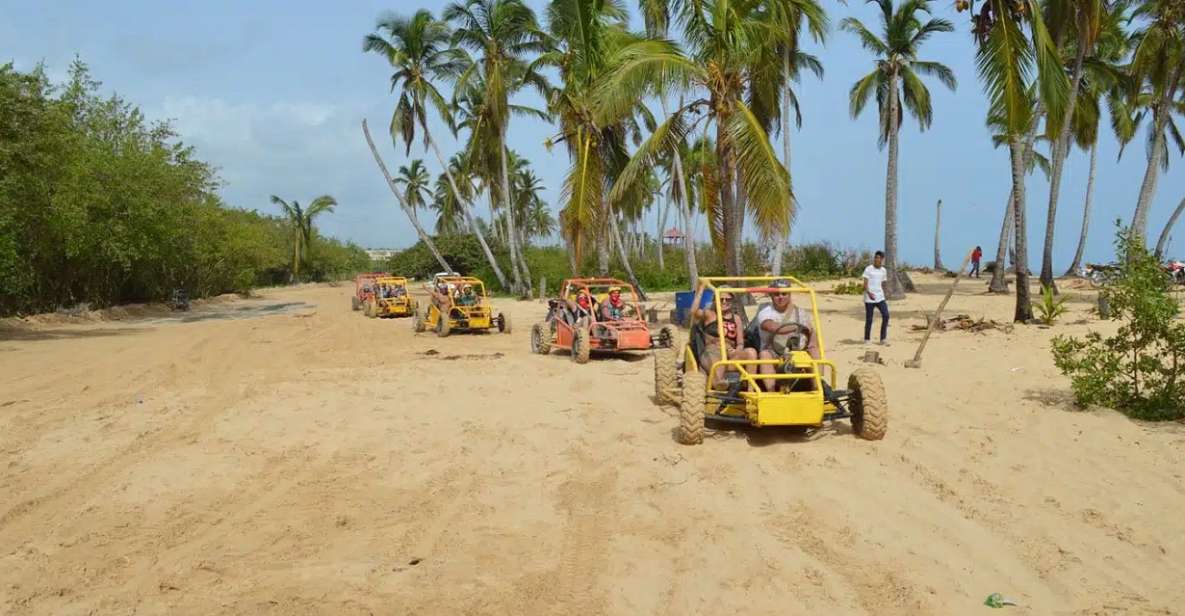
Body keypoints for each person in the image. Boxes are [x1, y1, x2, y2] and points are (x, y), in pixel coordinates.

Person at [756, 279, 819, 391]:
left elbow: (810, 330)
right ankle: (771, 393)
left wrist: (812, 344)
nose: (781, 297)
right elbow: (772, 327)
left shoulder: (800, 312)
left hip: (796, 351)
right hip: (773, 352)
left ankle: (817, 389)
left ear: (789, 294)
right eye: (777, 294)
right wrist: (797, 327)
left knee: (814, 351)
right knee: (764, 355)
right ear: (771, 295)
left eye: (784, 293)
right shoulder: (765, 312)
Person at [692, 292, 758, 387]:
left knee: (751, 352)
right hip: (713, 351)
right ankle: (719, 384)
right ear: (715, 301)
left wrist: (737, 350)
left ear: (732, 301)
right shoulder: (709, 315)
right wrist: (701, 289)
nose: (724, 302)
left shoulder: (736, 319)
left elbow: (740, 343)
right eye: (721, 299)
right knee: (719, 362)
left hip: (730, 353)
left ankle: (751, 389)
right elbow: (693, 311)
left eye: (727, 299)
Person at [863, 251, 890, 345]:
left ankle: (883, 339)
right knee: (869, 319)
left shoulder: (883, 270)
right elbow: (865, 284)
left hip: (880, 297)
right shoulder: (868, 269)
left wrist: (886, 294)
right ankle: (867, 339)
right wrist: (869, 293)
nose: (876, 259)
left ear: (882, 259)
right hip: (869, 298)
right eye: (875, 257)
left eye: (878, 258)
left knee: (886, 315)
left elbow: (883, 284)